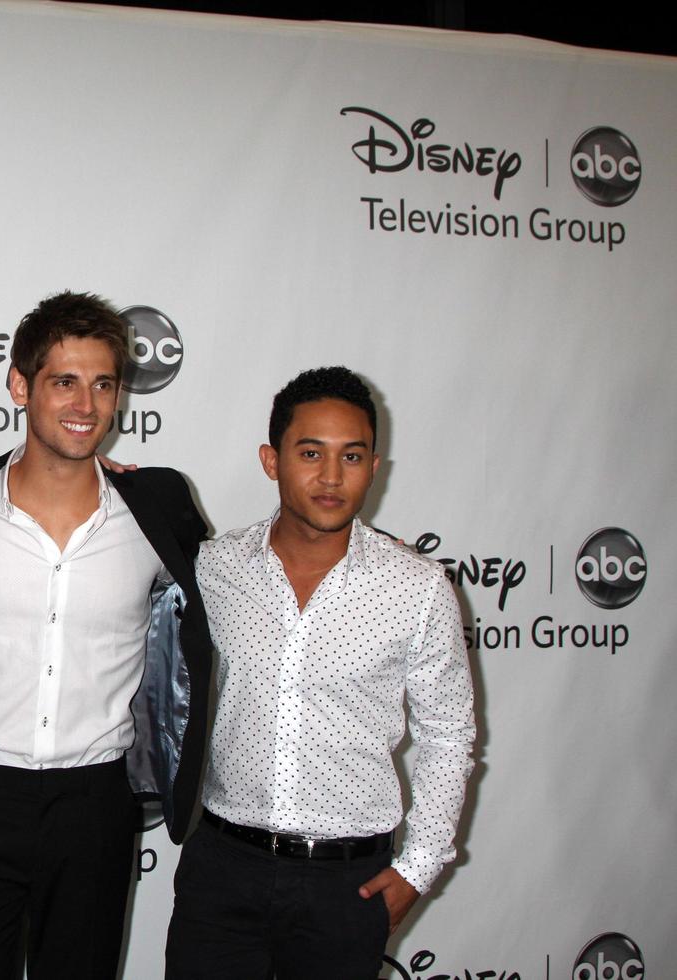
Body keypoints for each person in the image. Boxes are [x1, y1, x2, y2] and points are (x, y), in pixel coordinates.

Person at [0, 292, 213, 980]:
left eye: (102, 384)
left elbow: (232, 594)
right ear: (20, 386)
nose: (85, 404)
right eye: (64, 382)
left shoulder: (159, 505)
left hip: (96, 806)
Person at [164, 366, 476, 980]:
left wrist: (417, 870)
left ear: (374, 467)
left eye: (351, 456)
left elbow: (448, 735)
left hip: (347, 886)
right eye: (311, 453)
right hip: (224, 869)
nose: (331, 477)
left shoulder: (417, 587)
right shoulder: (215, 568)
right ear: (271, 459)